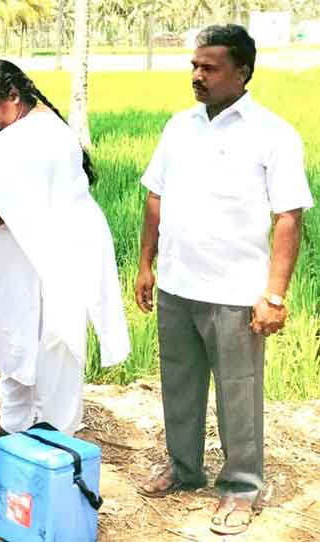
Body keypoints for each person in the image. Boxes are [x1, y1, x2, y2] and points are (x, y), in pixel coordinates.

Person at [134, 25, 314, 536]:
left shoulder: (272, 134)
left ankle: (240, 486)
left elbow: (288, 217)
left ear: (243, 72)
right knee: (180, 385)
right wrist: (146, 264)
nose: (197, 75)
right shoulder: (179, 126)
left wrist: (274, 294)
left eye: (209, 68)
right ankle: (184, 468)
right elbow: (155, 197)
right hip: (176, 284)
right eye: (194, 65)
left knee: (239, 392)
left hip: (236, 292)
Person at [0, 60, 130, 437]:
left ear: (14, 96)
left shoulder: (43, 139)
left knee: (56, 339)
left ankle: (56, 431)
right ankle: (16, 421)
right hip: (15, 262)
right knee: (14, 333)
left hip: (53, 254)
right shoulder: (11, 127)